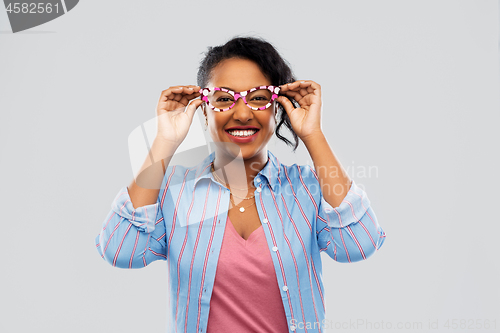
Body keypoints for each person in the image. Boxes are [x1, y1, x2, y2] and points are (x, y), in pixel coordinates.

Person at [96, 36, 386, 333]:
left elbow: (359, 244)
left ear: (277, 108)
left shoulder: (306, 188)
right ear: (204, 109)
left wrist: (313, 135)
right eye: (224, 98)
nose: (243, 113)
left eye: (258, 97)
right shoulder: (176, 192)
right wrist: (165, 141)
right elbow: (121, 250)